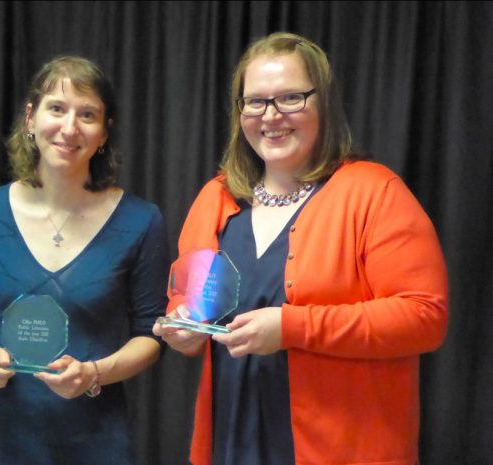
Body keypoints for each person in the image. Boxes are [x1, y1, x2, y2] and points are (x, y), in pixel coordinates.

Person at [153, 32, 448, 465]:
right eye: (255, 102)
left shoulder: (374, 191)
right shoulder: (215, 198)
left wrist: (293, 328)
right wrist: (184, 331)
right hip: (233, 443)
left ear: (323, 103)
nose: (271, 116)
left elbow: (425, 317)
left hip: (345, 449)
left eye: (291, 97)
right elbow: (192, 310)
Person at [0, 56, 169, 465]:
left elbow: (152, 335)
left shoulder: (142, 221)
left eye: (87, 114)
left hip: (95, 440)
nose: (69, 128)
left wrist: (94, 374)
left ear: (104, 133)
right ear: (31, 118)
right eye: (57, 108)